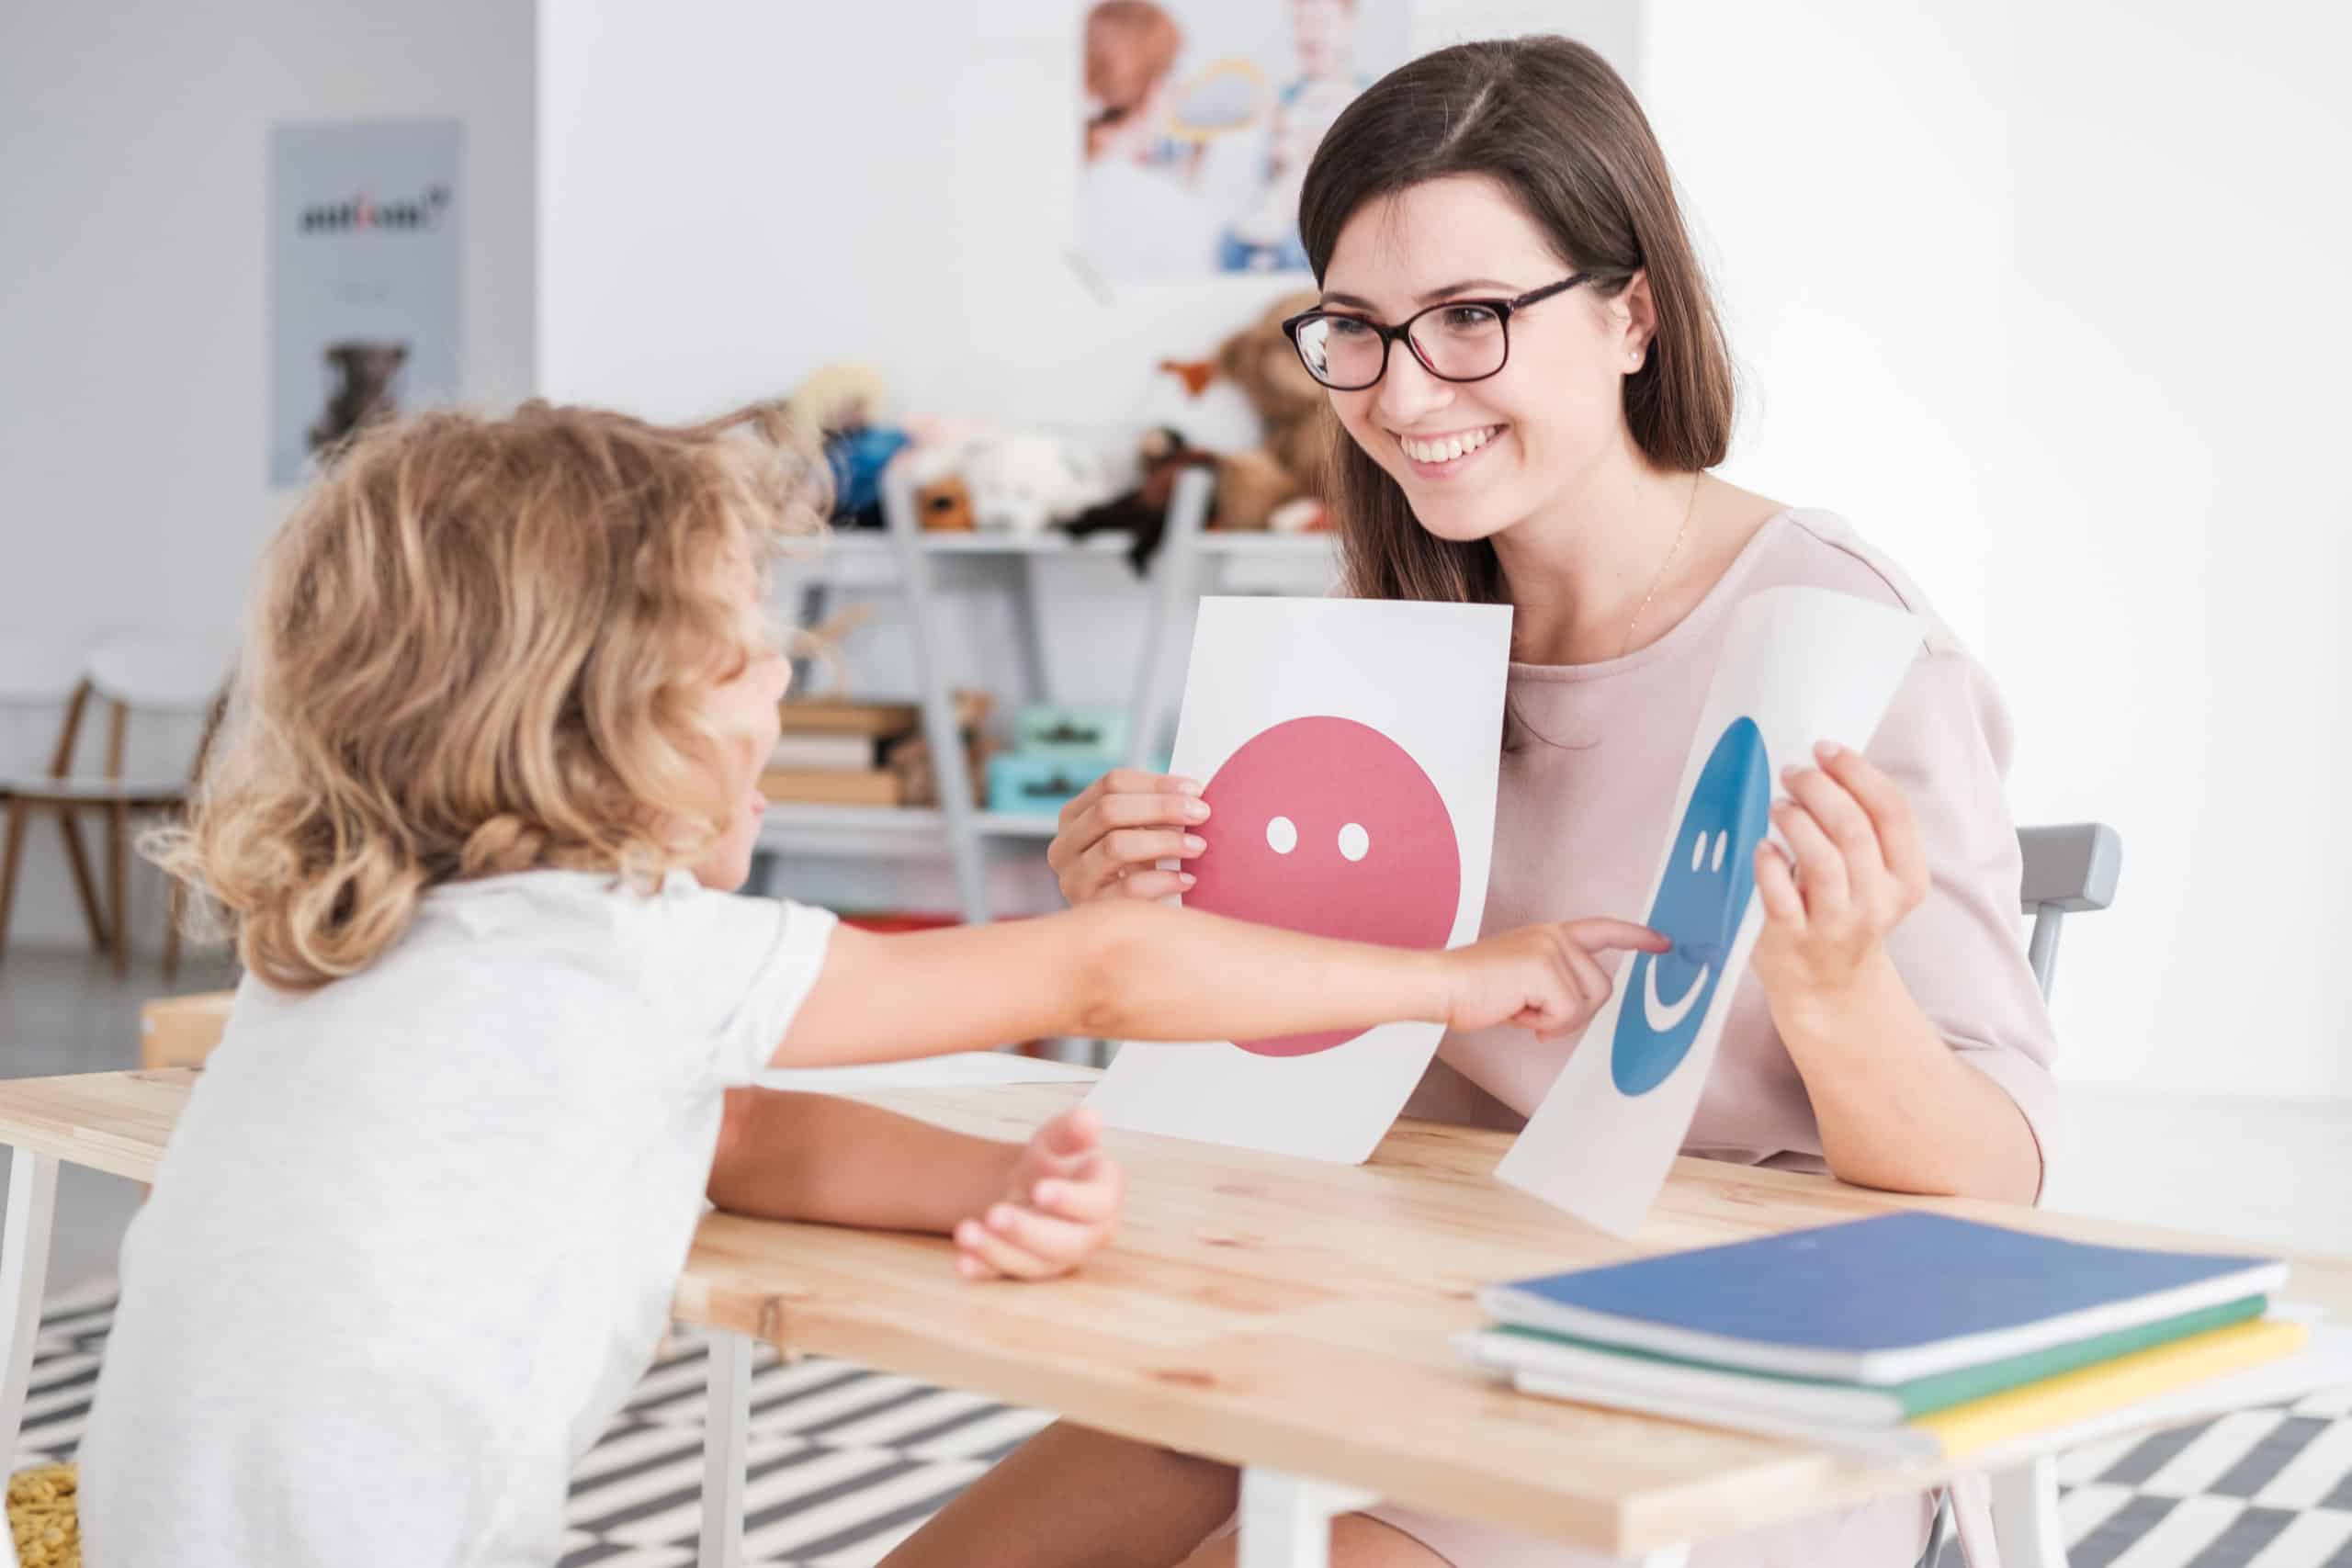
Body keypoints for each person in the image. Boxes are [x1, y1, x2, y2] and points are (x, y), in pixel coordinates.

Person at [74, 398, 1660, 1567]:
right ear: (599, 715)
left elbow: (734, 1139)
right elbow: (1107, 964)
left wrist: (987, 1180)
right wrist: (1452, 980)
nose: (785, 677)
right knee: (1188, 1449)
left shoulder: (363, 956)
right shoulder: (613, 954)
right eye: (741, 651)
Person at [887, 33, 2060, 1568]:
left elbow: (2001, 1182)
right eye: (1356, 329)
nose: (1401, 388)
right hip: (1398, 1308)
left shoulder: (1841, 647)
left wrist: (1834, 990)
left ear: (1632, 313)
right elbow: (1302, 1069)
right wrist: (1147, 925)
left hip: (1740, 1379)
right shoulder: (1387, 637)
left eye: (1472, 319)